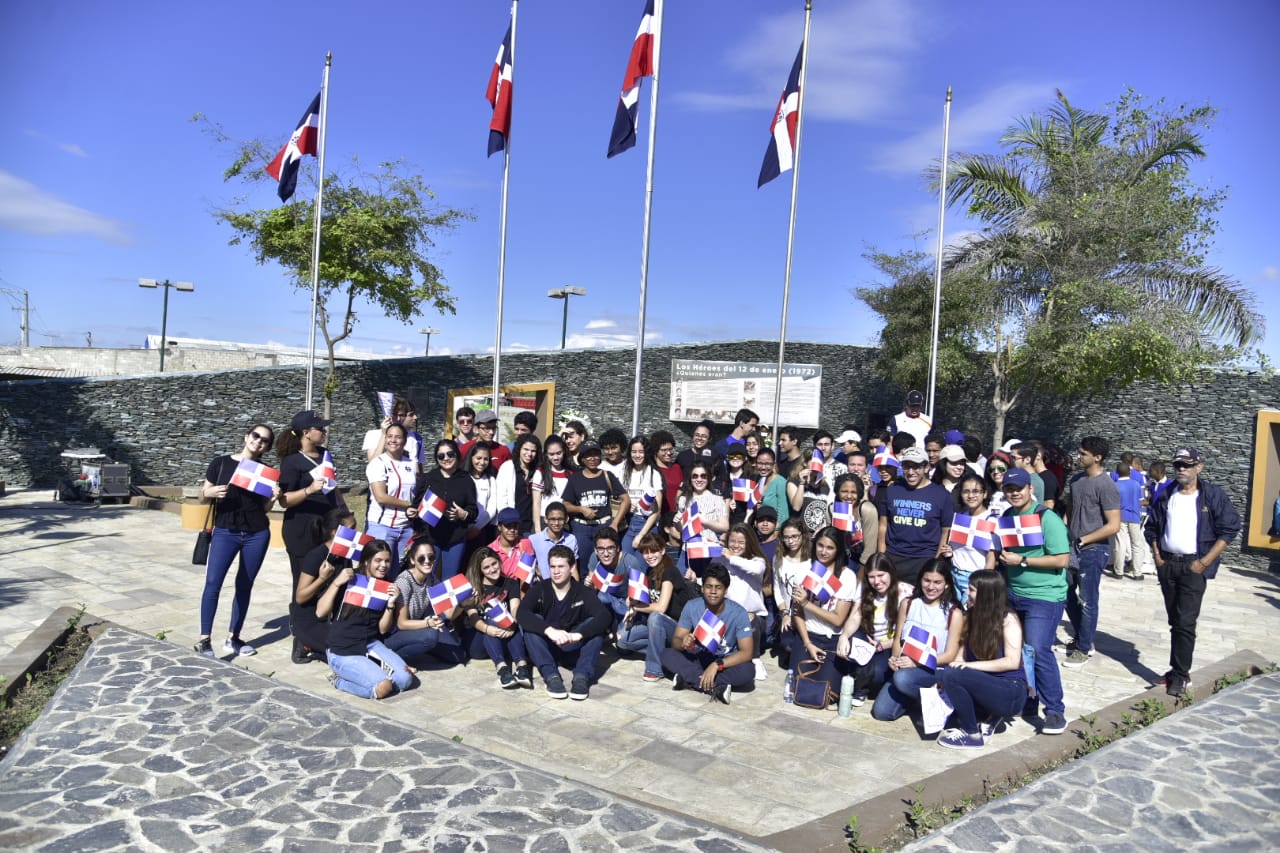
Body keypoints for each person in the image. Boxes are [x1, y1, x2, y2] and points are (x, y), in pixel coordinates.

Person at [1144, 446, 1241, 696]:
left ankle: (1180, 675)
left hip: (1194, 566)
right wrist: (1157, 556)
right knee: (1174, 621)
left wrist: (1205, 562)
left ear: (1199, 467)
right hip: (1168, 565)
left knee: (1185, 622)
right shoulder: (1167, 494)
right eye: (1178, 465)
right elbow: (1152, 527)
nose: (1182, 470)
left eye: (1187, 465)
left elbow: (1230, 528)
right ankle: (1176, 669)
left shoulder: (1212, 496)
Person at [195, 423, 280, 658]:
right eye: (256, 436)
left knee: (245, 585)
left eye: (265, 440)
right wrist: (208, 493)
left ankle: (233, 638)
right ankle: (204, 640)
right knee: (213, 583)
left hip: (256, 533)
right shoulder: (221, 463)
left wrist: (273, 498)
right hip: (226, 531)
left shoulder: (266, 472)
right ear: (246, 437)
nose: (259, 441)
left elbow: (263, 508)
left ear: (267, 447)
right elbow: (203, 496)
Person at [997, 467, 1071, 735]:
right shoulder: (1007, 516)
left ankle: (1055, 711)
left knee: (1039, 649)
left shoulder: (1047, 518)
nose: (1014, 493)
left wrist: (1023, 560)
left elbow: (1062, 559)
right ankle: (1029, 698)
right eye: (1009, 489)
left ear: (1031, 488)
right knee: (1017, 650)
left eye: (1019, 488)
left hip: (1044, 596)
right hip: (1014, 593)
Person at [934, 570, 1029, 750]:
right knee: (946, 675)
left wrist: (967, 667)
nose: (967, 593)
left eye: (971, 589)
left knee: (954, 674)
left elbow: (1012, 662)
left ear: (985, 594)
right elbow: (960, 656)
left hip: (1010, 690)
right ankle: (987, 716)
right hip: (985, 683)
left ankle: (972, 735)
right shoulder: (970, 615)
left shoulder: (1008, 620)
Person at [316, 540, 414, 700]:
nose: (383, 565)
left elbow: (382, 629)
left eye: (387, 561)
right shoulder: (349, 579)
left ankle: (370, 671)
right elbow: (320, 612)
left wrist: (390, 604)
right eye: (378, 560)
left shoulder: (386, 586)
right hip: (343, 649)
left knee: (405, 680)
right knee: (383, 687)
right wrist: (335, 583)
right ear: (367, 560)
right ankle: (339, 681)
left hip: (370, 644)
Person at [871, 559, 964, 724]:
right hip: (906, 667)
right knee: (881, 712)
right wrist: (895, 659)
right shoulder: (908, 604)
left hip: (936, 670)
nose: (931, 587)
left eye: (937, 582)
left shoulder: (953, 613)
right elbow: (898, 638)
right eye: (927, 580)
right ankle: (917, 700)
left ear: (947, 584)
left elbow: (950, 655)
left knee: (902, 679)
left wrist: (916, 663)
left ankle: (937, 700)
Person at [517, 544, 610, 700]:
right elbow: (522, 613)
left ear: (572, 566)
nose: (556, 571)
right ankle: (551, 676)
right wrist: (549, 630)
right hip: (548, 647)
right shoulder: (540, 588)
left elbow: (604, 616)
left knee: (595, 630)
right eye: (552, 566)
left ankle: (581, 677)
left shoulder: (582, 591)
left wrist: (578, 635)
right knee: (532, 625)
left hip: (573, 648)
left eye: (561, 566)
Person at [1060, 436, 1121, 669]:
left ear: (1098, 458)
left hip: (1094, 550)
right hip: (1071, 548)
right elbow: (1070, 511)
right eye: (1079, 452)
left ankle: (1084, 648)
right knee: (1066, 593)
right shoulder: (1076, 481)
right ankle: (1081, 637)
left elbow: (1114, 524)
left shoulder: (1106, 486)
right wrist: (1064, 534)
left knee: (1088, 599)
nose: (1079, 456)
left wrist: (1085, 539)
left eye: (1084, 453)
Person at [782, 526, 860, 704]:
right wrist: (807, 643)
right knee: (798, 688)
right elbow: (797, 612)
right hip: (808, 634)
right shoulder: (803, 570)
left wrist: (807, 603)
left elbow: (838, 619)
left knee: (828, 695)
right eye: (820, 546)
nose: (824, 552)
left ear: (838, 549)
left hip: (832, 637)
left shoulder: (847, 576)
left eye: (830, 547)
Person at [661, 561, 755, 705]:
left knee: (749, 671)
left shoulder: (738, 612)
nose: (713, 591)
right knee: (667, 654)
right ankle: (716, 687)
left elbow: (747, 652)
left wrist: (717, 665)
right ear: (702, 588)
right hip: (698, 656)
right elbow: (676, 641)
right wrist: (684, 643)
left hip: (724, 661)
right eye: (709, 587)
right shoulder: (692, 606)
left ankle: (690, 680)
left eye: (718, 588)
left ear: (725, 590)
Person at [277, 409, 347, 583]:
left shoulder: (325, 454)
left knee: (331, 575)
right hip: (303, 529)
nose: (324, 432)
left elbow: (333, 487)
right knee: (305, 579)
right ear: (306, 433)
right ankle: (301, 611)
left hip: (328, 525)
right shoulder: (291, 461)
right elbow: (284, 500)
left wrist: (345, 512)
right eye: (320, 429)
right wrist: (309, 489)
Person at [615, 533, 690, 683]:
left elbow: (661, 608)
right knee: (623, 639)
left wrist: (637, 608)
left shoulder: (670, 571)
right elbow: (647, 600)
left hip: (677, 627)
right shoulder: (650, 572)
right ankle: (665, 653)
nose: (649, 556)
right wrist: (633, 602)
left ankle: (654, 668)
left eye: (654, 551)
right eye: (645, 552)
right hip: (658, 629)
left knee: (656, 617)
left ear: (662, 551)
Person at [384, 537, 468, 667]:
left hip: (419, 627)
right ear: (412, 560)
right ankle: (394, 661)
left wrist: (463, 602)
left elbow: (449, 614)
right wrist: (428, 623)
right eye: (421, 558)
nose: (427, 561)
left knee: (459, 655)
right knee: (430, 636)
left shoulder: (432, 579)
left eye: (431, 557)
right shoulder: (403, 581)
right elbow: (401, 624)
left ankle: (425, 646)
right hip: (395, 633)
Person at [839, 553, 910, 706]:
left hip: (889, 643)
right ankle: (857, 687)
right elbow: (855, 615)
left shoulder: (905, 592)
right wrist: (844, 635)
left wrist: (883, 645)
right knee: (847, 650)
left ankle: (866, 684)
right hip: (867, 636)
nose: (876, 582)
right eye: (872, 577)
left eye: (881, 575)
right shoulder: (864, 587)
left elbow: (906, 634)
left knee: (877, 674)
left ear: (890, 572)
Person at [878, 447, 954, 586]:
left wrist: (936, 562)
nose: (911, 472)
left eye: (916, 467)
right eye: (907, 467)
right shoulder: (892, 491)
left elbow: (945, 532)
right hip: (893, 556)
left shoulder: (942, 495)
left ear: (926, 468)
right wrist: (882, 556)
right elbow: (883, 526)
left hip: (924, 559)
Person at [462, 544, 531, 689]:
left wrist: (512, 624)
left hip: (504, 636)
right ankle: (502, 668)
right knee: (492, 616)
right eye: (486, 567)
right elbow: (473, 618)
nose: (493, 569)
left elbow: (515, 608)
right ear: (480, 571)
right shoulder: (473, 588)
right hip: (478, 641)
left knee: (512, 621)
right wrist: (488, 629)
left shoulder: (510, 583)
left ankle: (522, 666)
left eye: (494, 563)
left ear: (499, 561)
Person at [290, 507, 354, 664]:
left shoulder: (345, 556)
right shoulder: (316, 556)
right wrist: (321, 579)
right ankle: (305, 645)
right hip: (309, 620)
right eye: (351, 529)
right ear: (335, 533)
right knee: (341, 651)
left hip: (329, 616)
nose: (356, 533)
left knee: (356, 642)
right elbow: (300, 597)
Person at [420, 439, 479, 579]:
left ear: (457, 455)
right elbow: (417, 505)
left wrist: (463, 514)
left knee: (450, 579)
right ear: (436, 459)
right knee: (427, 577)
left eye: (450, 454)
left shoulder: (466, 480)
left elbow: (473, 509)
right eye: (441, 456)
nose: (446, 458)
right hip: (431, 536)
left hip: (455, 538)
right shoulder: (428, 478)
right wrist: (412, 511)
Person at [364, 422, 419, 571]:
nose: (393, 440)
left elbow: (418, 491)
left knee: (398, 574)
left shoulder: (411, 464)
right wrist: (408, 504)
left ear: (405, 441)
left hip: (406, 528)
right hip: (382, 527)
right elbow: (381, 496)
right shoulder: (377, 463)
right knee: (378, 573)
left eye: (398, 437)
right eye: (389, 436)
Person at [719, 524, 770, 680]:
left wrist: (731, 558)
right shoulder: (721, 560)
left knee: (749, 618)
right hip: (727, 615)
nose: (735, 545)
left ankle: (754, 659)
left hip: (754, 618)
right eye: (732, 541)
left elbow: (754, 569)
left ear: (749, 542)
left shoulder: (757, 561)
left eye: (741, 542)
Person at [940, 472, 997, 607]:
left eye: (976, 491)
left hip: (975, 579)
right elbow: (956, 548)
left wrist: (981, 584)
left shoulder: (991, 520)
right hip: (953, 575)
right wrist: (949, 552)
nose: (971, 496)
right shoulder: (959, 517)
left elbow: (991, 558)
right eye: (966, 491)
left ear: (985, 494)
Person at [561, 440, 630, 546]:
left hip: (604, 526)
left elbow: (626, 499)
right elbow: (565, 505)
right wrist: (581, 509)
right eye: (588, 455)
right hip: (581, 529)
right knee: (582, 561)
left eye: (595, 454)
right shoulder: (575, 478)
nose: (592, 458)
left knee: (606, 559)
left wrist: (615, 523)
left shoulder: (607, 475)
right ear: (582, 458)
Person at [673, 460, 730, 577]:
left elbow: (725, 526)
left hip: (709, 550)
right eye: (695, 476)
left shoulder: (717, 499)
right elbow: (682, 530)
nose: (699, 479)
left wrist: (705, 521)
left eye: (703, 476)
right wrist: (676, 523)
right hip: (689, 551)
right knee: (681, 583)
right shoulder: (684, 499)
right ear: (690, 478)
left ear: (708, 478)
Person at [584, 526, 645, 628]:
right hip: (607, 599)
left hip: (628, 604)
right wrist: (590, 586)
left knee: (623, 640)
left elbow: (641, 596)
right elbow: (594, 588)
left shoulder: (630, 562)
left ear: (617, 548)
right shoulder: (594, 558)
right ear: (595, 550)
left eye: (610, 548)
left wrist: (632, 601)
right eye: (601, 549)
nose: (606, 554)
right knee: (600, 597)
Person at [621, 435, 664, 558]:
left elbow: (657, 511)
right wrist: (626, 507)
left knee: (642, 566)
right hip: (628, 523)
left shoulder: (653, 474)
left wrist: (641, 535)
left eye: (641, 452)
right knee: (625, 564)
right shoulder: (624, 471)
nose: (637, 455)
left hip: (646, 524)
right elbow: (617, 498)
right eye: (634, 452)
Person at [494, 434, 543, 535]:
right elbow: (501, 498)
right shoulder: (507, 467)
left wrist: (537, 528)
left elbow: (537, 501)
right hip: (509, 525)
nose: (529, 454)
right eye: (526, 449)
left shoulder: (537, 472)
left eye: (533, 451)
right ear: (519, 449)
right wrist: (508, 522)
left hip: (529, 527)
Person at [1111, 461, 1153, 580]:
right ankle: (1137, 572)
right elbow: (1141, 500)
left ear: (1117, 472)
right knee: (1137, 544)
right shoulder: (1135, 484)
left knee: (1120, 543)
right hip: (1134, 516)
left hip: (1119, 517)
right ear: (1129, 471)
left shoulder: (1115, 485)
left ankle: (1118, 571)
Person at [363, 397, 422, 470]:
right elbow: (372, 465)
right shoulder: (373, 435)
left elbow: (417, 471)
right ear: (397, 417)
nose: (415, 417)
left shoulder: (414, 438)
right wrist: (383, 434)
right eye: (411, 415)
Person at [834, 473, 877, 569]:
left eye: (854, 492)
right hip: (842, 559)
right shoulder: (832, 509)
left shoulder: (867, 510)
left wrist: (859, 578)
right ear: (838, 492)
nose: (849, 496)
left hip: (864, 561)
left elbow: (870, 549)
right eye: (844, 491)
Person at [527, 501, 579, 580]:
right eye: (552, 519)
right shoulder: (533, 540)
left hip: (565, 586)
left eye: (560, 519)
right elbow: (526, 571)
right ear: (546, 519)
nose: (556, 523)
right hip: (542, 586)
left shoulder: (571, 539)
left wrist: (576, 591)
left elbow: (574, 569)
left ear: (566, 519)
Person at [462, 441, 498, 552]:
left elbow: (492, 508)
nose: (482, 462)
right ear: (471, 457)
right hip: (461, 531)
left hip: (481, 531)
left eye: (486, 459)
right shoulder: (462, 477)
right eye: (478, 458)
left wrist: (477, 527)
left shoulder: (490, 479)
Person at [787, 449, 832, 537]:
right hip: (800, 534)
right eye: (813, 463)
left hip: (817, 535)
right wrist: (802, 483)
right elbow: (796, 507)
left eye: (820, 463)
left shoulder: (825, 485)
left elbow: (826, 511)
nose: (816, 467)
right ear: (805, 463)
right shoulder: (794, 481)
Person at [754, 447, 790, 523]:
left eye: (767, 464)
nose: (763, 467)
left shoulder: (780, 482)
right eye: (760, 463)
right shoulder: (761, 480)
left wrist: (776, 532)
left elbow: (783, 514)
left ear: (774, 464)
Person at [983, 451, 1014, 516]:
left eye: (1001, 468)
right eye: (992, 469)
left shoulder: (1018, 494)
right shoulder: (984, 494)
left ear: (1009, 469)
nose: (996, 472)